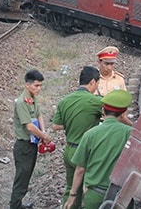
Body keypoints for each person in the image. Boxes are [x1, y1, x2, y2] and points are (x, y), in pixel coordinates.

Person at [65, 90, 133, 209]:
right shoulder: (130, 133)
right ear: (124, 113)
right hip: (121, 196)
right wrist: (127, 121)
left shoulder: (90, 134)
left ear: (103, 111)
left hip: (95, 195)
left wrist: (73, 194)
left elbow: (80, 170)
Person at [53, 66, 103, 208]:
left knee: (71, 190)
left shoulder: (64, 101)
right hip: (84, 154)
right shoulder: (96, 102)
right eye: (97, 85)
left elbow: (55, 126)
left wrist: (72, 124)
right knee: (88, 191)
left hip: (69, 150)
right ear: (93, 82)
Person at [10, 70, 52, 209]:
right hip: (24, 146)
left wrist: (43, 131)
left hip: (32, 144)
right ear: (27, 85)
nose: (39, 88)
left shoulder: (32, 98)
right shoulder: (22, 102)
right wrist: (44, 136)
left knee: (26, 176)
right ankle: (15, 206)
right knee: (21, 179)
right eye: (36, 86)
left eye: (40, 86)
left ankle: (19, 204)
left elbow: (39, 115)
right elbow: (29, 127)